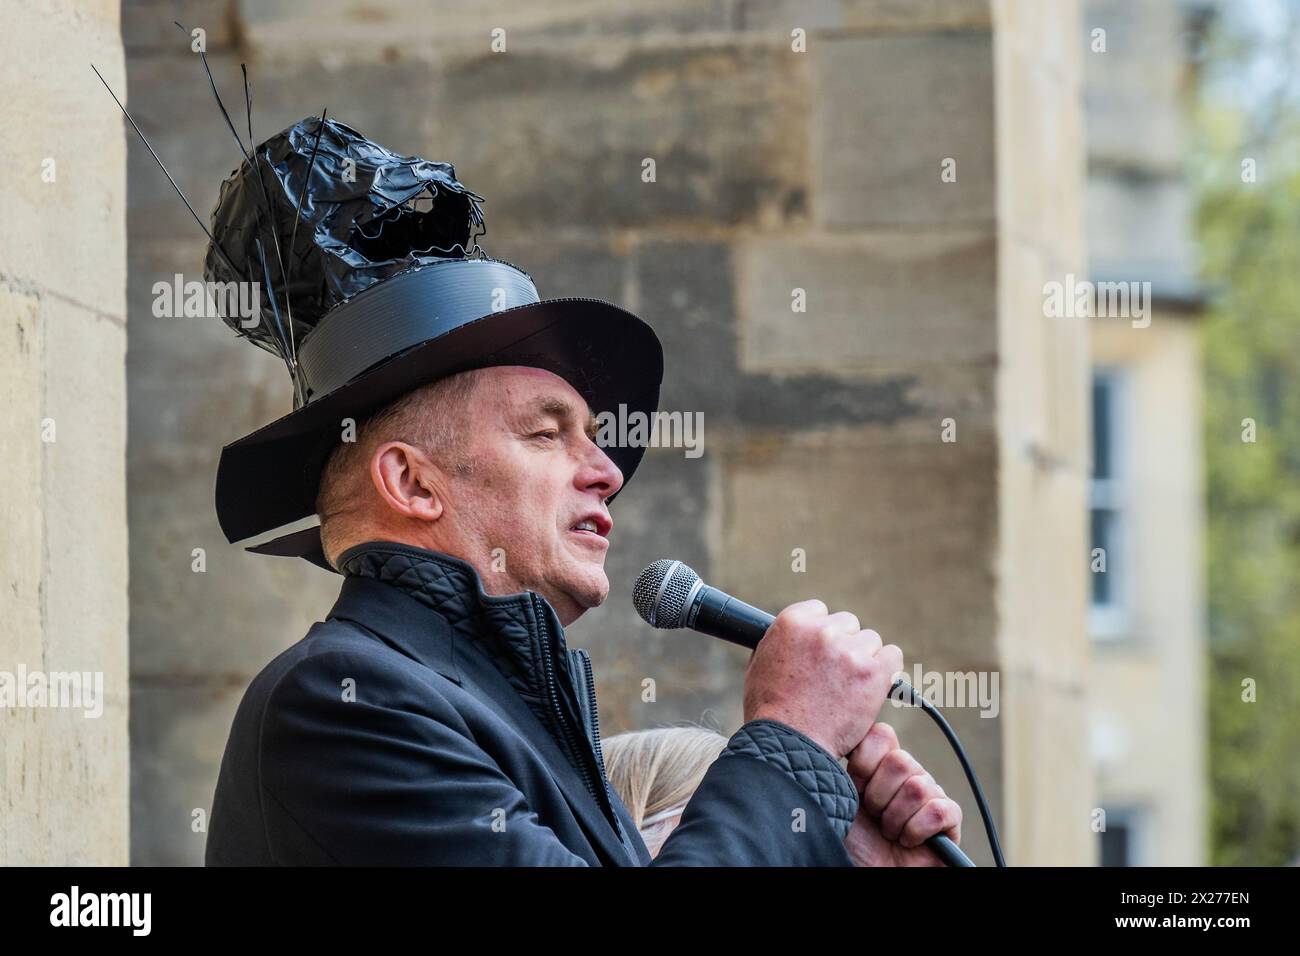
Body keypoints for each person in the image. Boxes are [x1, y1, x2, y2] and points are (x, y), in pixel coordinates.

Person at [197, 117, 961, 866]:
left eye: (592, 435)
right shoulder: (344, 702)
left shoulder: (512, 729)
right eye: (545, 432)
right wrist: (792, 741)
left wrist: (837, 847)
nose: (607, 472)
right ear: (410, 481)